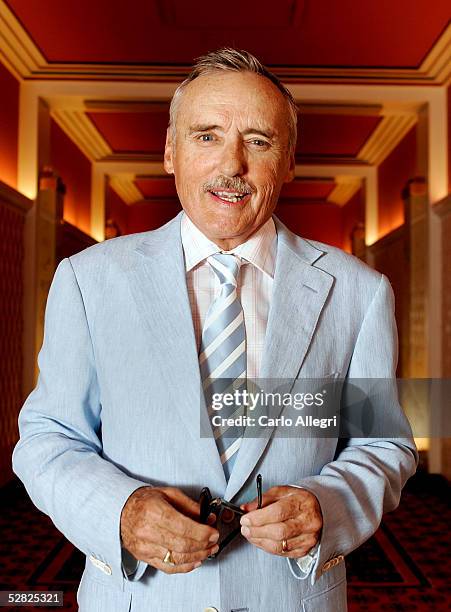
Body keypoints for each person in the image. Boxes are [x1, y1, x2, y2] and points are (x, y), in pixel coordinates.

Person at [13, 48, 417, 612]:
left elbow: (383, 443)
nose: (232, 165)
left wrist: (328, 505)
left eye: (258, 140)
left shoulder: (358, 292)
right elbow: (48, 437)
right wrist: (121, 511)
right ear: (170, 153)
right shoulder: (88, 280)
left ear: (289, 161)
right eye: (206, 136)